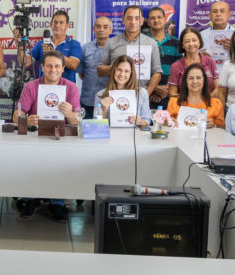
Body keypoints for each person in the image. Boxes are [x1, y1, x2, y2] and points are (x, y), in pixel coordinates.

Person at [13, 51, 81, 221]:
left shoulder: (71, 87)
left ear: (63, 68)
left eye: (57, 66)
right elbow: (16, 115)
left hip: (61, 137)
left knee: (61, 165)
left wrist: (70, 114)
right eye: (49, 66)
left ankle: (57, 202)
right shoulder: (31, 86)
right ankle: (30, 199)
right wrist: (26, 120)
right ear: (42, 67)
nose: (53, 69)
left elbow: (77, 121)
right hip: (36, 136)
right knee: (28, 162)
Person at [97, 5, 163, 99]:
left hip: (140, 94)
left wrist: (145, 95)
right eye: (129, 18)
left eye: (137, 18)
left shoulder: (151, 43)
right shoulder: (111, 42)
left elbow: (157, 73)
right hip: (115, 94)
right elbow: (100, 71)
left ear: (142, 21)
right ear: (123, 20)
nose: (133, 22)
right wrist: (118, 66)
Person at [26, 10, 82, 83]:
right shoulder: (41, 44)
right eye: (55, 22)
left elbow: (73, 65)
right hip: (44, 89)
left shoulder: (74, 44)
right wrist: (20, 45)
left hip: (66, 89)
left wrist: (53, 52)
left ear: (67, 26)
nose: (57, 25)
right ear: (51, 24)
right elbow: (24, 63)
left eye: (61, 23)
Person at [95, 55, 151, 128]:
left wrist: (141, 122)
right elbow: (96, 126)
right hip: (111, 137)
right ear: (114, 70)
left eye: (126, 71)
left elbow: (147, 121)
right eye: (119, 70)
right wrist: (104, 110)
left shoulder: (142, 93)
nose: (122, 74)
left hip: (134, 137)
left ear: (131, 73)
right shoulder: (101, 94)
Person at [167, 63, 224, 128]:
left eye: (198, 78)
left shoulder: (216, 104)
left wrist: (214, 126)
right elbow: (167, 127)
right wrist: (169, 123)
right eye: (191, 78)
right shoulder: (174, 102)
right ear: (185, 81)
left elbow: (222, 129)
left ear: (204, 80)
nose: (195, 81)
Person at [167, 27, 219, 97]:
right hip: (185, 106)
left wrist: (204, 101)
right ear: (183, 45)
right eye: (187, 41)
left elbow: (217, 88)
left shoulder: (210, 61)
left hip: (208, 105)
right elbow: (172, 93)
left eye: (194, 40)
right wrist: (189, 103)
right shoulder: (176, 66)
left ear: (199, 42)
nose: (191, 44)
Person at [146, 7, 180, 106]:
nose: (156, 20)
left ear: (165, 20)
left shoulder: (175, 42)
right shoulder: (142, 42)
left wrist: (167, 88)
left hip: (169, 93)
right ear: (148, 22)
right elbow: (138, 69)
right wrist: (153, 88)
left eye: (159, 17)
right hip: (147, 93)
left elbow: (178, 70)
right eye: (152, 18)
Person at [80, 16, 113, 119]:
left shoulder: (116, 48)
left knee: (108, 133)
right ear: (93, 29)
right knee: (87, 132)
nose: (101, 29)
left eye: (105, 26)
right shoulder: (85, 48)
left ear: (110, 30)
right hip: (88, 101)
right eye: (98, 26)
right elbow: (82, 73)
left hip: (109, 102)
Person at [200, 1, 233, 65]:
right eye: (215, 11)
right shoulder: (201, 35)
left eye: (222, 11)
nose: (218, 14)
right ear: (210, 15)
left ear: (229, 14)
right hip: (208, 73)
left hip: (232, 73)